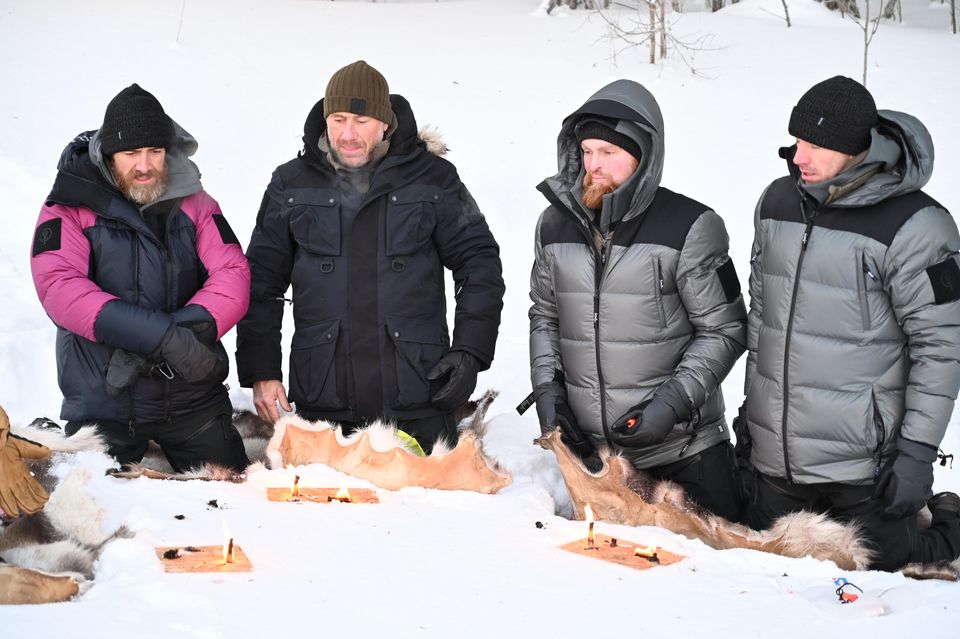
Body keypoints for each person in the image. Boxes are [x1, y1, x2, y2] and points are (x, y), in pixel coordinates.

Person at [741, 75, 960, 571]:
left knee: (885, 565)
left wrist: (917, 454)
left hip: (865, 460)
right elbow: (763, 320)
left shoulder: (916, 224)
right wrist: (753, 415)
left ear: (858, 149)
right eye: (797, 141)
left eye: (815, 145)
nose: (799, 157)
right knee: (770, 565)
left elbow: (942, 348)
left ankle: (949, 516)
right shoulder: (777, 203)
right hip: (777, 453)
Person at [237, 61, 504, 454]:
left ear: (385, 124)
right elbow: (260, 282)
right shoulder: (290, 184)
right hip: (322, 401)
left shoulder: (433, 179)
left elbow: (479, 263)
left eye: (361, 120)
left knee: (436, 507)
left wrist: (469, 352)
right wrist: (262, 370)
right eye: (338, 119)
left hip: (418, 397)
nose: (348, 134)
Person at [527, 79, 747, 520]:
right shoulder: (553, 225)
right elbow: (545, 316)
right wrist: (548, 389)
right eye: (587, 151)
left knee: (721, 574)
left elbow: (725, 329)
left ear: (643, 156)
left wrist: (670, 405)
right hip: (597, 461)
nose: (594, 165)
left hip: (685, 453)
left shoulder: (689, 226)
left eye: (608, 153)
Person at [30, 84, 250, 473]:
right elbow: (59, 287)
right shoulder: (68, 205)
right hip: (105, 400)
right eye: (131, 153)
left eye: (155, 152)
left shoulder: (197, 204)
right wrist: (161, 338)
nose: (145, 165)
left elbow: (232, 274)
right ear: (108, 154)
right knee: (96, 505)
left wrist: (184, 332)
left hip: (191, 397)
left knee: (239, 491)